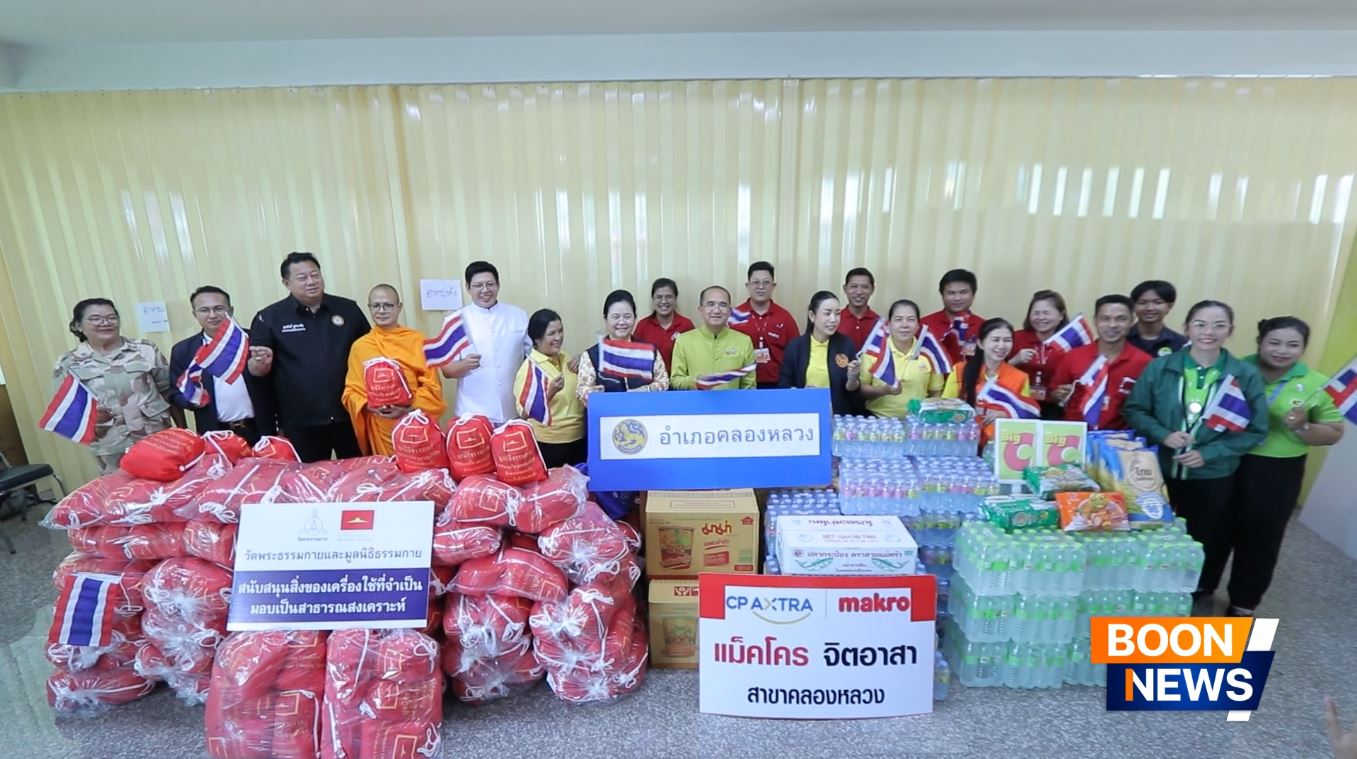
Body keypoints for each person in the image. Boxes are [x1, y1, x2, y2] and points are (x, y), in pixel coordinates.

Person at [1123, 300, 1269, 604]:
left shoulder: (1244, 374)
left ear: (1231, 330)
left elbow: (1256, 429)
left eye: (1218, 325)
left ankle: (1193, 591)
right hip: (1158, 469)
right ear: (1187, 328)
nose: (1208, 332)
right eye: (1200, 324)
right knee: (1148, 529)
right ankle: (1146, 591)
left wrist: (1210, 453)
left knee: (1204, 536)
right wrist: (1164, 435)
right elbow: (1135, 409)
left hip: (1212, 473)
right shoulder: (1161, 367)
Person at [1209, 317, 1344, 617]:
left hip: (1277, 472)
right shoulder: (1234, 368)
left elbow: (1334, 433)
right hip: (1227, 459)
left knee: (1262, 535)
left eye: (1293, 345)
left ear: (1303, 348)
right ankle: (1202, 588)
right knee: (1215, 528)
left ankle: (1243, 602)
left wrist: (1302, 427)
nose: (1282, 350)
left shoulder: (1315, 384)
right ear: (1260, 343)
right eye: (1274, 342)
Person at [248, 252, 370, 462]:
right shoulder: (268, 318)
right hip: (301, 422)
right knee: (307, 485)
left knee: (359, 478)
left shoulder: (348, 309)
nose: (311, 281)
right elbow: (256, 371)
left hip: (349, 415)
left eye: (315, 275)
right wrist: (260, 363)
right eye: (302, 277)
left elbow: (370, 353)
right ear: (286, 283)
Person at [53, 298, 181, 474]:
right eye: (96, 318)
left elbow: (168, 391)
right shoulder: (68, 363)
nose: (105, 323)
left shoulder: (144, 349)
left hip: (156, 437)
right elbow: (69, 411)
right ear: (78, 325)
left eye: (112, 317)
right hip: (110, 446)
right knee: (123, 494)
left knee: (169, 488)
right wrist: (93, 419)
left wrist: (182, 431)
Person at [341, 284, 448, 456]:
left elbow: (432, 386)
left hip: (415, 422)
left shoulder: (417, 341)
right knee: (389, 477)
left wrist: (408, 407)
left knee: (420, 475)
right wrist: (369, 406)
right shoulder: (360, 347)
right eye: (376, 305)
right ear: (369, 308)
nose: (381, 310)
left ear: (399, 307)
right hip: (381, 426)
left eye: (388, 305)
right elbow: (351, 392)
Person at [169, 286, 267, 445]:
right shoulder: (184, 350)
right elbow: (174, 393)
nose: (213, 315)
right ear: (195, 314)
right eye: (204, 310)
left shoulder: (253, 340)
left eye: (219, 308)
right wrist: (192, 399)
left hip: (259, 429)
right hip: (215, 433)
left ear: (231, 310)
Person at [440, 261, 530, 424]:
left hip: (514, 410)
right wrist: (464, 365)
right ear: (468, 288)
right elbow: (446, 370)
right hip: (472, 413)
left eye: (490, 284)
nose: (485, 290)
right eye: (478, 285)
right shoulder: (454, 321)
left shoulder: (518, 315)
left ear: (498, 285)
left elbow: (532, 359)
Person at [1048, 295, 1152, 431]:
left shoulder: (1145, 362)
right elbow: (1053, 393)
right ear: (1095, 320)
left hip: (1120, 440)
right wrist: (1058, 394)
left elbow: (1147, 407)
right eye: (1105, 318)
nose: (1112, 325)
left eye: (1121, 319)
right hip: (1074, 436)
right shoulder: (1073, 356)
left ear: (1132, 321)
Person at [942, 318, 1030, 450]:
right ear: (981, 344)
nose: (1001, 346)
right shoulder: (960, 370)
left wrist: (1008, 414)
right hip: (961, 443)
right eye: (995, 340)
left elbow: (1026, 418)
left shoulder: (1021, 378)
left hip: (999, 447)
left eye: (1007, 340)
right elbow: (944, 409)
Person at [514, 309, 586, 468]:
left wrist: (583, 360)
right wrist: (549, 392)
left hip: (579, 439)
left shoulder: (565, 358)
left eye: (560, 331)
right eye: (551, 333)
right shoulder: (530, 368)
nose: (558, 337)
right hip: (552, 446)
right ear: (537, 339)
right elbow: (524, 413)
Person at [578, 290, 670, 402]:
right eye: (615, 317)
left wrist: (646, 390)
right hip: (607, 415)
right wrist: (591, 393)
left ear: (635, 318)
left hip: (644, 412)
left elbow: (664, 382)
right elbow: (581, 390)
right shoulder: (591, 356)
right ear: (605, 319)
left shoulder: (649, 351)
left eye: (627, 316)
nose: (621, 322)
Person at [858, 299, 945, 418]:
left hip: (917, 424)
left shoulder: (929, 353)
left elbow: (936, 392)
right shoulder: (875, 351)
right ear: (889, 325)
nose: (905, 325)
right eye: (898, 319)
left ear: (918, 325)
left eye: (911, 320)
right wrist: (884, 391)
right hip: (878, 422)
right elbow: (860, 390)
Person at [777, 292, 861, 415]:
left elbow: (851, 390)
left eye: (837, 313)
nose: (833, 319)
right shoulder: (796, 346)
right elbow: (783, 385)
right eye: (827, 313)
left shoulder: (846, 344)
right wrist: (801, 393)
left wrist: (853, 378)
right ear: (812, 315)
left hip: (837, 416)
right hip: (804, 414)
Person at [670, 286, 757, 391]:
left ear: (730, 311)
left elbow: (749, 386)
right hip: (695, 406)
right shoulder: (684, 341)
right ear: (701, 310)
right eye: (710, 304)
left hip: (733, 406)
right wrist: (696, 381)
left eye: (723, 305)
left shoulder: (744, 341)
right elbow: (675, 381)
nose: (716, 310)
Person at [730, 261, 797, 389]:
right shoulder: (734, 316)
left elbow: (795, 353)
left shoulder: (785, 317)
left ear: (773, 286)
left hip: (778, 385)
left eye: (766, 282)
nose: (761, 287)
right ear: (748, 285)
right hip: (742, 385)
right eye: (756, 282)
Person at [1009, 289, 1070, 419]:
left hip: (1053, 408)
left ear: (1061, 315)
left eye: (1046, 313)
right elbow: (993, 371)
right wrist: (1015, 361)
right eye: (1036, 313)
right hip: (1018, 404)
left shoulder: (1069, 344)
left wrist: (1063, 392)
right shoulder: (1016, 338)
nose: (1041, 318)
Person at [921, 269, 985, 369]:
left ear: (973, 294)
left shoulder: (984, 327)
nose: (957, 298)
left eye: (963, 292)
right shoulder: (924, 325)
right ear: (942, 295)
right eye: (951, 293)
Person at [631, 278, 694, 372]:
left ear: (675, 299)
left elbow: (693, 356)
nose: (664, 301)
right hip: (651, 383)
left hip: (680, 382)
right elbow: (634, 357)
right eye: (659, 297)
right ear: (653, 299)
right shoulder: (643, 325)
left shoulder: (686, 324)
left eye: (669, 297)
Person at [1128, 280, 1190, 357]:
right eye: (1142, 302)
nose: (1149, 308)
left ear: (1169, 306)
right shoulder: (1122, 338)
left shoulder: (1181, 343)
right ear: (1133, 306)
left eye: (1157, 302)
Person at [837, 267, 880, 351]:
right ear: (845, 289)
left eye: (864, 287)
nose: (859, 292)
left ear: (872, 289)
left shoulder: (879, 324)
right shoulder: (835, 320)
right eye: (854, 286)